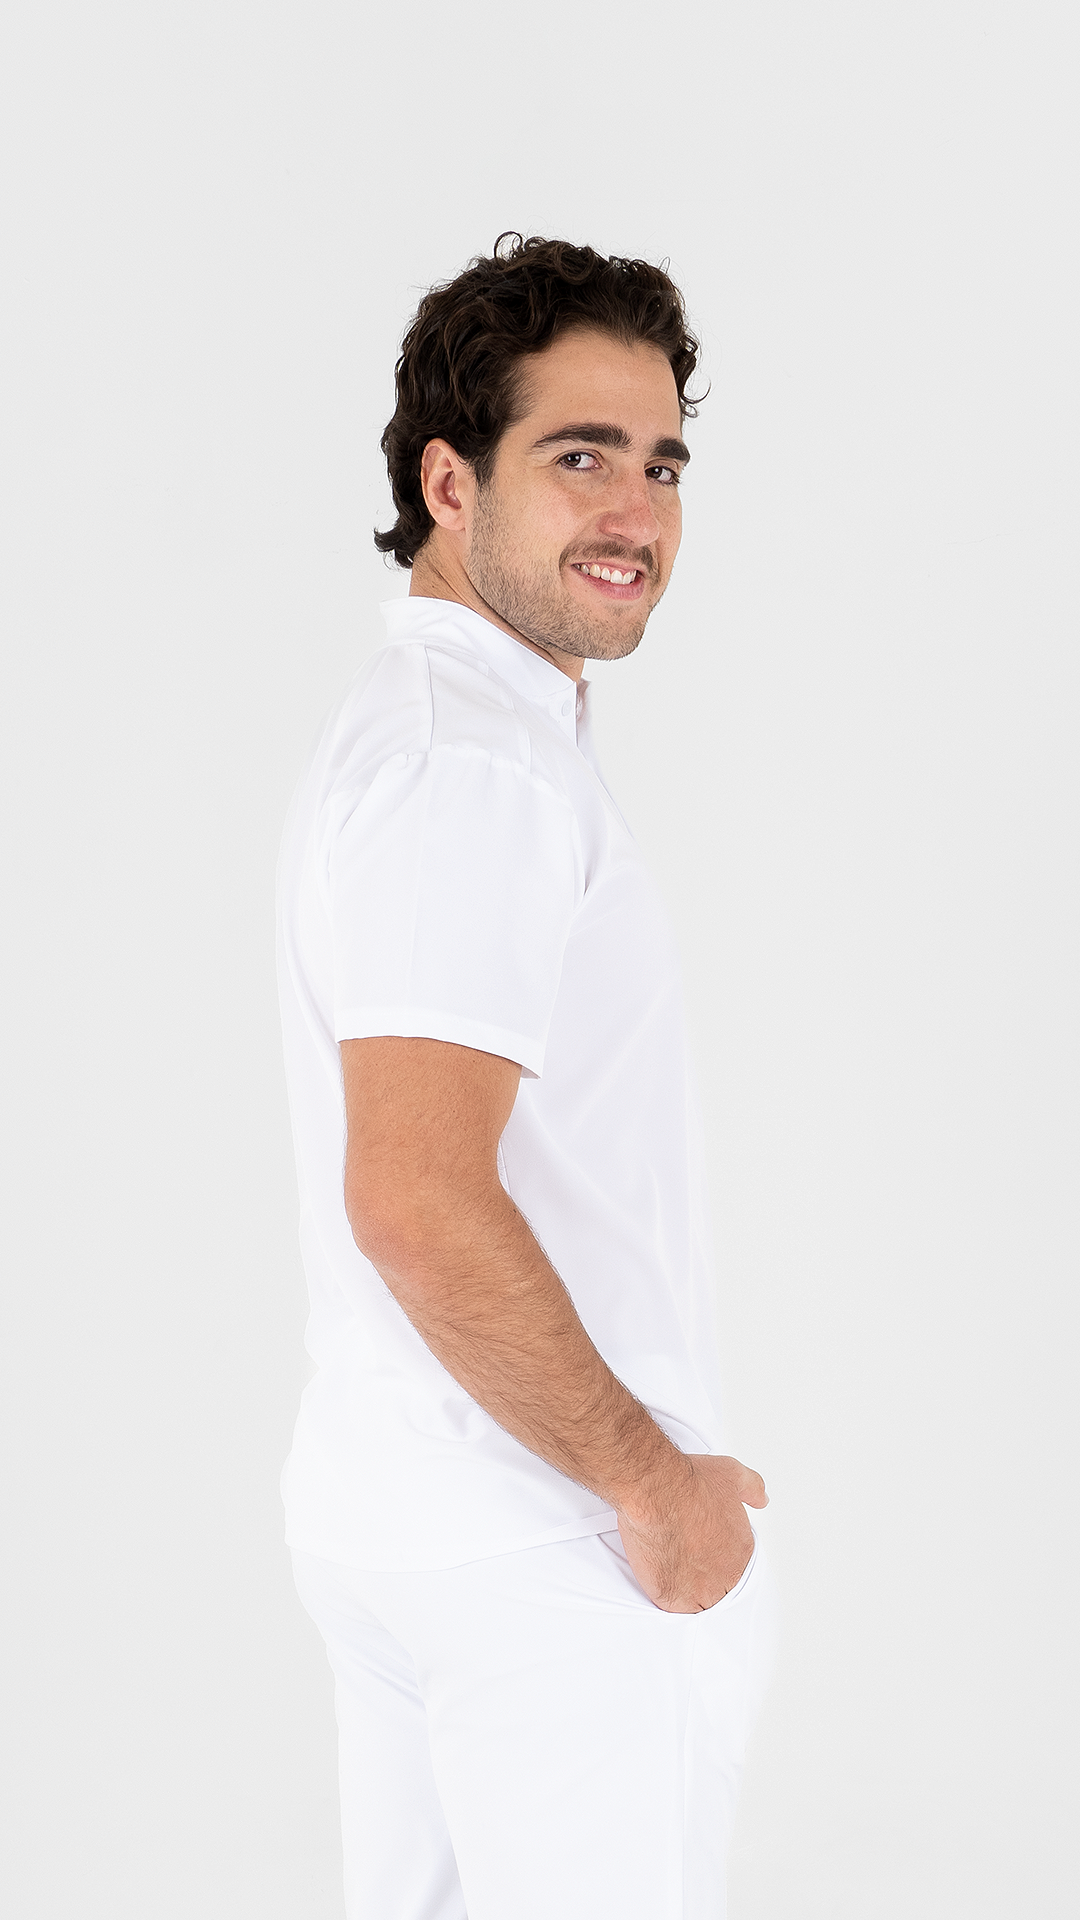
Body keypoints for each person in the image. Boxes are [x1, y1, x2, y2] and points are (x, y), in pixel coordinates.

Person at [277, 233, 778, 1920]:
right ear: (450, 482)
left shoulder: (428, 731)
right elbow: (415, 1195)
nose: (636, 511)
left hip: (418, 1516)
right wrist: (650, 1484)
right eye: (580, 456)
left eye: (663, 465)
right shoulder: (473, 770)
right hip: (542, 1548)